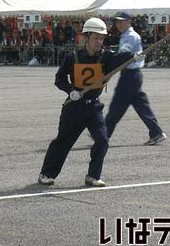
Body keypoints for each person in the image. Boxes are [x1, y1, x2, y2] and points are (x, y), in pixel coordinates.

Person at [38, 17, 142, 187]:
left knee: (102, 139)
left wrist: (133, 57)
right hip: (74, 107)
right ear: (86, 37)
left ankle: (93, 176)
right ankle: (46, 174)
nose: (99, 42)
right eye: (95, 38)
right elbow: (59, 79)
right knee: (63, 141)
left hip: (94, 107)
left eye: (101, 38)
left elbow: (119, 58)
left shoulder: (106, 56)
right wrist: (71, 91)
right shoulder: (72, 57)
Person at [105, 12, 166, 146]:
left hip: (130, 75)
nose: (119, 24)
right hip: (131, 75)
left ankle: (103, 133)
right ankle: (156, 132)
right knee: (141, 106)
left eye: (122, 21)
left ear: (129, 21)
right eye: (117, 22)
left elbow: (124, 54)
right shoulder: (126, 35)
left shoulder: (131, 36)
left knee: (117, 105)